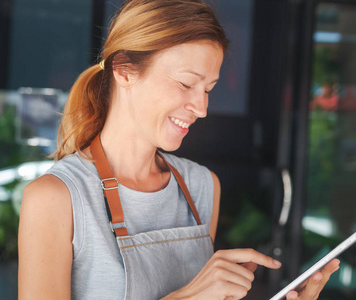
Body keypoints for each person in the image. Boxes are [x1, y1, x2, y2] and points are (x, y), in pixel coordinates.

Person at [18, 0, 340, 299]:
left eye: (208, 89)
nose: (201, 107)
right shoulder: (56, 199)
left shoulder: (201, 187)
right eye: (187, 84)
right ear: (124, 69)